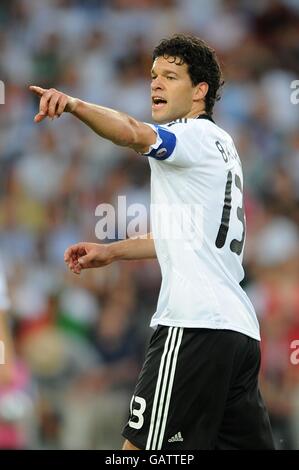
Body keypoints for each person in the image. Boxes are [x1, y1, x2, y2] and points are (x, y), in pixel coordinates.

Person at [30, 34, 275, 450]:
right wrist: (112, 251)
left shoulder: (190, 137)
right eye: (153, 76)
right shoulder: (223, 145)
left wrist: (74, 105)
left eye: (171, 76)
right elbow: (184, 236)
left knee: (139, 452)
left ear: (200, 92)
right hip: (238, 332)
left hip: (191, 323)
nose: (156, 84)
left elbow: (129, 132)